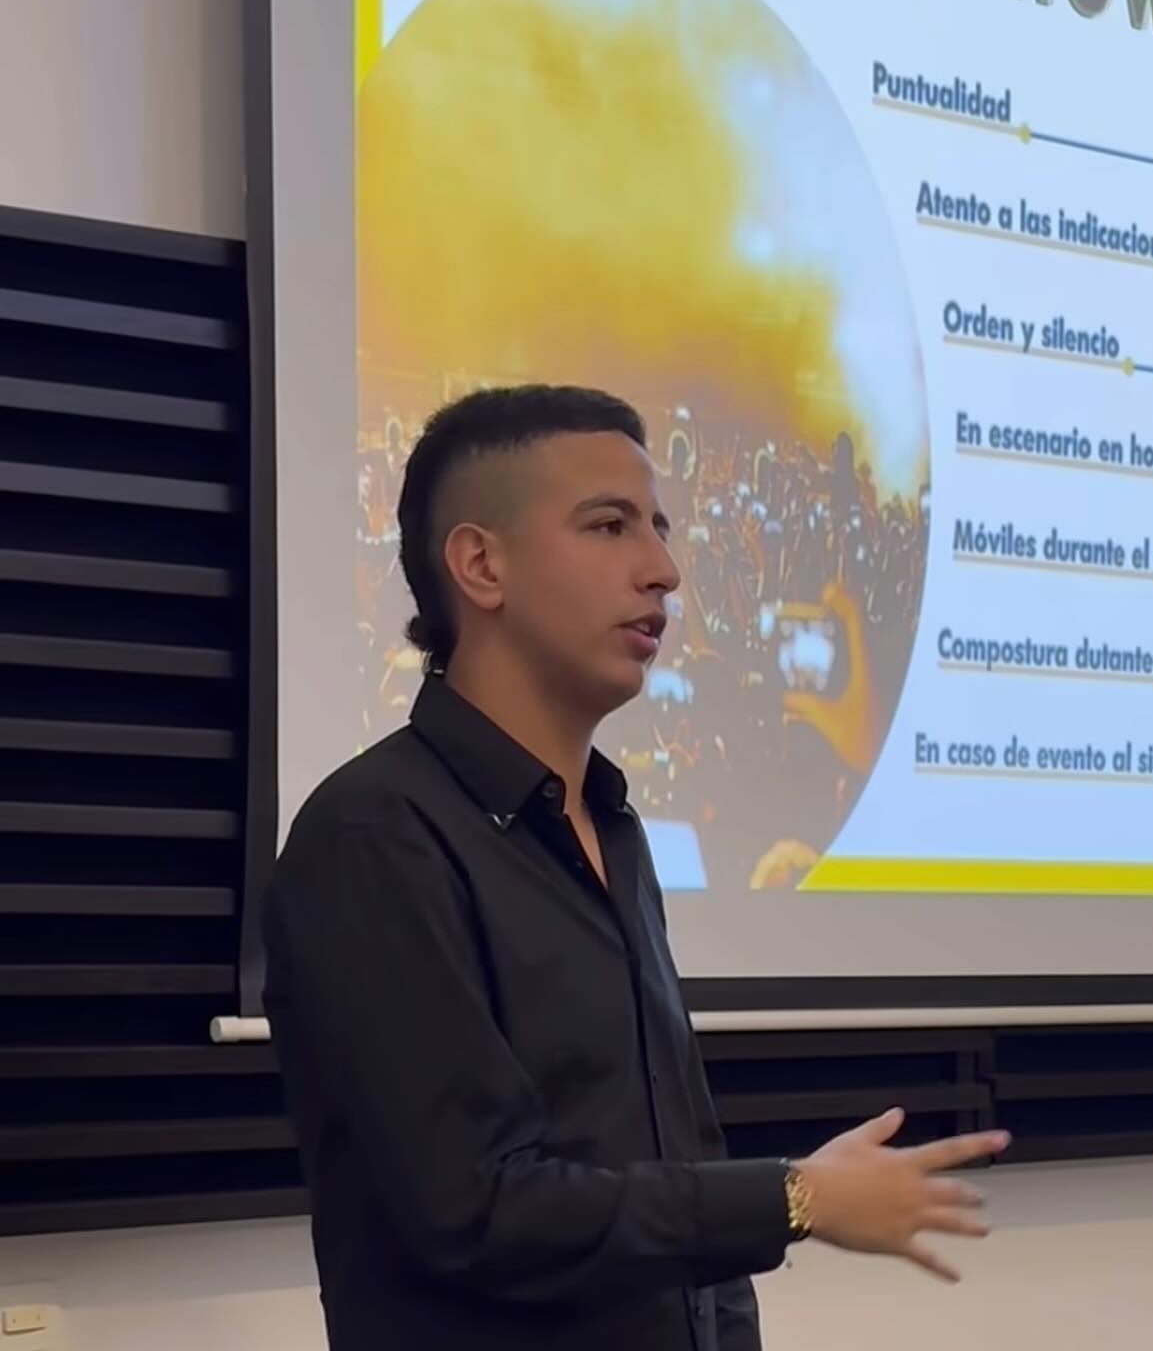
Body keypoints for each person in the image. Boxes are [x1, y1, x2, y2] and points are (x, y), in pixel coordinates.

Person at [263, 385, 1009, 1351]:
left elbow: (681, 1168)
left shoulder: (611, 828)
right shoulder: (375, 836)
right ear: (481, 565)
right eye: (610, 526)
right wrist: (796, 1197)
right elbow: (476, 1211)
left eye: (659, 528)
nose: (663, 570)